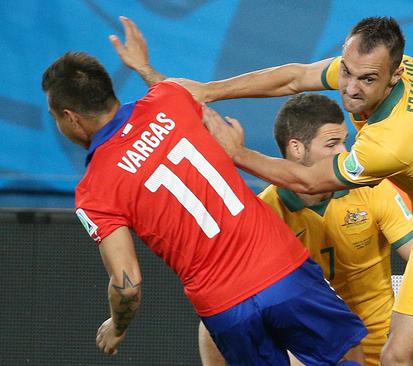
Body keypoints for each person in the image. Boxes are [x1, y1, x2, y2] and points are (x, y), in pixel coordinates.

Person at [114, 16, 413, 366]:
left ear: (393, 77)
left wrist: (237, 153)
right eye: (347, 72)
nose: (350, 88)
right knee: (396, 359)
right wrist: (209, 90)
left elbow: (309, 181)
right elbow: (296, 77)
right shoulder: (390, 67)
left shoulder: (392, 141)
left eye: (366, 80)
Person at [41, 28, 368, 366]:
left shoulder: (94, 191)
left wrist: (117, 325)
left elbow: (128, 285)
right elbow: (177, 92)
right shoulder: (169, 98)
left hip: (225, 307)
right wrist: (144, 68)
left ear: (71, 118)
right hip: (281, 269)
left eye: (56, 118)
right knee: (347, 353)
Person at [196, 93, 413, 366]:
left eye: (344, 142)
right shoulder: (264, 213)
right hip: (314, 351)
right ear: (297, 149)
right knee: (215, 320)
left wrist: (411, 332)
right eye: (331, 144)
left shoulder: (374, 189)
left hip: (387, 349)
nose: (343, 154)